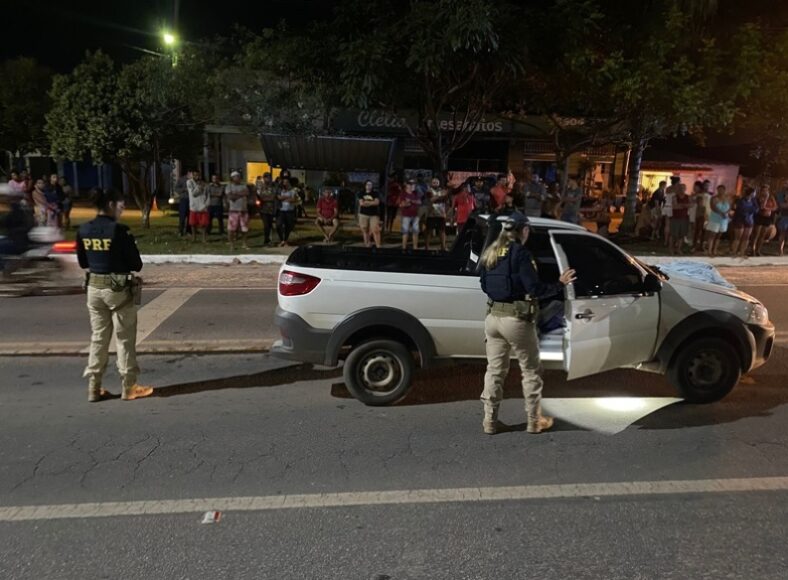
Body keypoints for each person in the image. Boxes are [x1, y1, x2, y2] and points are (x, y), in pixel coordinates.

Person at [478, 212, 576, 435]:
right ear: (523, 231)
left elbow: (484, 284)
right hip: (516, 320)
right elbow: (535, 289)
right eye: (528, 230)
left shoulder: (491, 251)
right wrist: (559, 284)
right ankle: (534, 421)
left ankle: (489, 422)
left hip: (492, 319)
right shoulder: (520, 253)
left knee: (494, 370)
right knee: (531, 370)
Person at [76, 188, 153, 403]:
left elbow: (83, 263)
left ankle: (94, 387)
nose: (122, 209)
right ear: (110, 204)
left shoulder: (84, 229)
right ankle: (129, 387)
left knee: (98, 338)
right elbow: (136, 264)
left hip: (93, 290)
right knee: (124, 339)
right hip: (117, 290)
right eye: (120, 205)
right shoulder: (120, 231)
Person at [730, 186, 759, 257]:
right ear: (751, 193)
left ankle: (742, 253)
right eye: (754, 193)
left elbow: (757, 209)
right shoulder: (741, 200)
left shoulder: (753, 200)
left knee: (746, 238)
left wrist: (752, 209)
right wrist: (752, 210)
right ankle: (734, 252)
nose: (755, 194)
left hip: (749, 221)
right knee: (738, 238)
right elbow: (743, 210)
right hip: (740, 220)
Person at [225, 171, 250, 251]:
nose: (238, 178)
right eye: (236, 177)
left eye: (238, 176)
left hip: (243, 210)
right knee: (231, 229)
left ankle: (244, 244)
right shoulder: (229, 186)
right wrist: (241, 194)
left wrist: (236, 194)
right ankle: (232, 245)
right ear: (232, 178)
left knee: (244, 229)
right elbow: (231, 197)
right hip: (233, 210)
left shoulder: (244, 186)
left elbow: (246, 192)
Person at [705, 185, 731, 257]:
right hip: (715, 219)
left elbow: (730, 207)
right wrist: (721, 213)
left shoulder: (728, 198)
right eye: (719, 189)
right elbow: (713, 207)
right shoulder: (714, 198)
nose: (720, 191)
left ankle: (715, 250)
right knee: (712, 235)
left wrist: (726, 213)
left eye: (722, 190)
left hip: (723, 219)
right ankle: (709, 251)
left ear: (724, 190)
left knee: (719, 235)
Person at [751, 184, 777, 256]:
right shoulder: (758, 197)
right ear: (761, 191)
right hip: (759, 217)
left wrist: (768, 209)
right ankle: (752, 249)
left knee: (763, 235)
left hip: (767, 218)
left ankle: (758, 250)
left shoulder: (771, 197)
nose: (765, 191)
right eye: (764, 190)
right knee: (756, 234)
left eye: (767, 190)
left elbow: (775, 207)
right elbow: (762, 207)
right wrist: (765, 198)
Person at [424, 177, 449, 251]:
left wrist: (446, 212)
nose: (435, 184)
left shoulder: (442, 191)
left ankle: (443, 247)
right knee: (428, 231)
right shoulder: (429, 191)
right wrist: (439, 195)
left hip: (441, 214)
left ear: (439, 183)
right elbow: (431, 200)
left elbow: (446, 201)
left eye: (437, 182)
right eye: (434, 182)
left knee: (442, 231)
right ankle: (426, 247)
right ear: (431, 183)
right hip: (431, 214)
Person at [357, 180, 382, 248]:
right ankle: (367, 245)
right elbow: (361, 203)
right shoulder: (361, 193)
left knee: (376, 230)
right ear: (365, 185)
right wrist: (372, 202)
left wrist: (367, 203)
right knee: (365, 230)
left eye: (370, 184)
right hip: (363, 215)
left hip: (373, 215)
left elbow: (377, 202)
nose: (369, 186)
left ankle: (378, 246)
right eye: (368, 184)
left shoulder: (375, 193)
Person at [399, 179, 422, 250]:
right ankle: (404, 247)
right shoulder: (403, 193)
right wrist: (407, 203)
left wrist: (411, 201)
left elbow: (419, 202)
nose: (413, 186)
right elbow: (402, 204)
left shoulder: (415, 193)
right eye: (412, 184)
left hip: (415, 215)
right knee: (405, 232)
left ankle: (415, 247)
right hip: (406, 215)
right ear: (407, 185)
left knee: (415, 232)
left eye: (414, 184)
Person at [188, 172, 209, 243]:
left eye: (198, 175)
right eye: (195, 175)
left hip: (203, 207)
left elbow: (208, 195)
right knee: (193, 224)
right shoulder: (189, 182)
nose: (197, 176)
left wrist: (206, 205)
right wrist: (199, 186)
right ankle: (194, 238)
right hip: (194, 206)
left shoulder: (205, 184)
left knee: (204, 224)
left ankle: (204, 239)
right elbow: (193, 194)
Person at [670, 184, 691, 254]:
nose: (682, 189)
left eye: (683, 188)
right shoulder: (674, 197)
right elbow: (674, 207)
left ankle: (678, 248)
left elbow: (691, 205)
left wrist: (680, 205)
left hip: (684, 218)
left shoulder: (688, 197)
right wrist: (685, 205)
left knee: (682, 235)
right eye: (680, 188)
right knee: (673, 235)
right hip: (675, 218)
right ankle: (671, 248)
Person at [276, 177, 297, 247]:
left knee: (289, 226)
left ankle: (285, 240)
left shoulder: (293, 190)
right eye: (284, 182)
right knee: (278, 224)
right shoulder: (280, 190)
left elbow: (293, 199)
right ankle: (282, 240)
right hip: (281, 210)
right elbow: (279, 197)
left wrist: (283, 198)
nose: (285, 183)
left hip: (290, 211)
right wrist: (288, 198)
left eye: (287, 182)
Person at [256, 173, 277, 245]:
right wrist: (266, 198)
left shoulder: (273, 187)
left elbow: (273, 196)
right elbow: (260, 196)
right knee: (266, 225)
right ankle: (266, 239)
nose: (268, 179)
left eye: (269, 178)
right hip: (263, 209)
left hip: (271, 209)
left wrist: (266, 198)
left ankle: (270, 239)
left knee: (270, 225)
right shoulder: (260, 187)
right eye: (266, 178)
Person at [663, 176, 680, 247]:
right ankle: (673, 241)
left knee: (667, 225)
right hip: (673, 208)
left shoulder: (668, 188)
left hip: (666, 207)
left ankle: (666, 241)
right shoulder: (677, 189)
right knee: (674, 225)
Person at [175, 172, 191, 236]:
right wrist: (184, 189)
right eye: (191, 173)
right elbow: (176, 189)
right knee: (182, 216)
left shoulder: (193, 180)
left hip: (191, 200)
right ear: (188, 173)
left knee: (190, 216)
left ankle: (188, 231)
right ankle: (180, 231)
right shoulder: (181, 179)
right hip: (184, 199)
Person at [777, 180, 788, 256]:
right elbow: (782, 205)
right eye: (785, 183)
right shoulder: (780, 194)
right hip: (784, 216)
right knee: (783, 234)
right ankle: (780, 251)